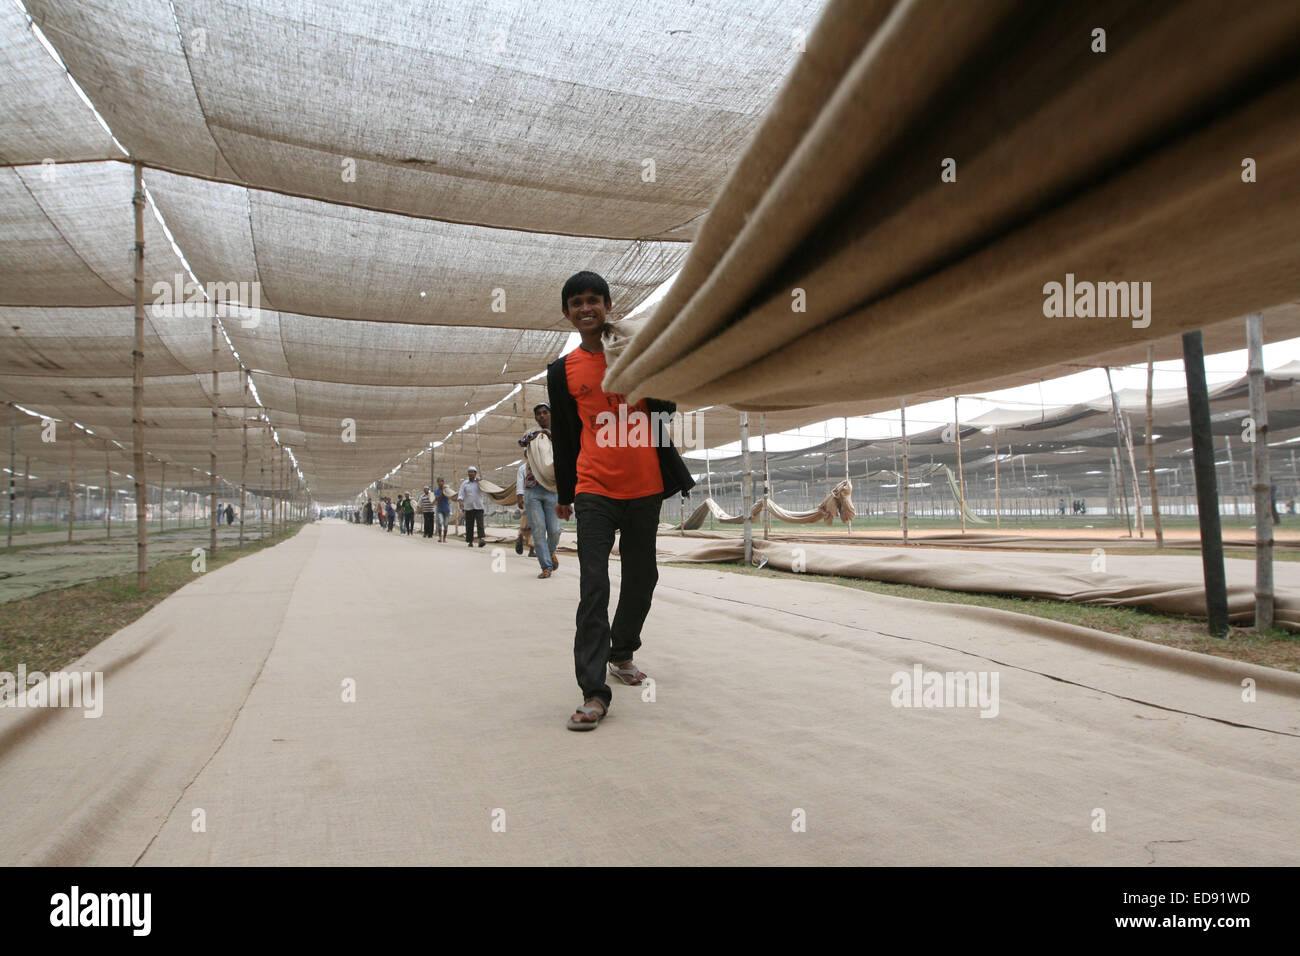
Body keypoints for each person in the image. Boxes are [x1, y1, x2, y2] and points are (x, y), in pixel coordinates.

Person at [547, 271, 695, 731]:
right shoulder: (562, 371)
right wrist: (568, 494)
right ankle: (593, 692)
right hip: (594, 487)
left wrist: (649, 362)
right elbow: (567, 437)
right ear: (567, 313)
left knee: (642, 576)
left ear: (609, 307)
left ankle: (622, 650)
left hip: (645, 485)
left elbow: (669, 405)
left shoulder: (634, 351)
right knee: (594, 585)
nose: (586, 308)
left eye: (594, 300)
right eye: (576, 303)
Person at [520, 402, 560, 578]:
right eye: (538, 414)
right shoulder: (532, 435)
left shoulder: (561, 434)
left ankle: (550, 552)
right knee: (538, 529)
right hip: (533, 489)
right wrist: (540, 434)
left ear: (551, 414)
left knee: (555, 529)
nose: (542, 416)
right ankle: (546, 566)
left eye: (545, 412)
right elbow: (522, 442)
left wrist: (550, 435)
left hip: (553, 487)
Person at [458, 466, 486, 547]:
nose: (470, 473)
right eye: (469, 472)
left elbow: (485, 488)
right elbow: (460, 494)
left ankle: (481, 539)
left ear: (475, 473)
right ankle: (470, 541)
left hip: (479, 507)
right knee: (469, 525)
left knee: (480, 524)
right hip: (468, 508)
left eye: (472, 472)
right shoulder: (464, 483)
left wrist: (482, 481)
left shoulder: (479, 483)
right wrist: (460, 502)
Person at [514, 461, 534, 557]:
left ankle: (521, 537)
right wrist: (520, 498)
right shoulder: (522, 468)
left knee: (531, 523)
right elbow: (520, 484)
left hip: (538, 498)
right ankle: (531, 548)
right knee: (534, 523)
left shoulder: (541, 464)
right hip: (528, 498)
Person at [434, 477, 452, 541]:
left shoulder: (447, 489)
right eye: (439, 482)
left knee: (446, 524)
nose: (440, 483)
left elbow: (451, 496)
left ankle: (444, 538)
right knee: (440, 522)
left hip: (447, 509)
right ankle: (440, 537)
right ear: (437, 483)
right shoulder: (436, 491)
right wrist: (441, 493)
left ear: (443, 482)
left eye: (441, 481)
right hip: (439, 509)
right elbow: (437, 499)